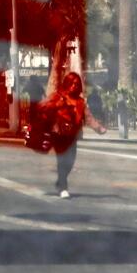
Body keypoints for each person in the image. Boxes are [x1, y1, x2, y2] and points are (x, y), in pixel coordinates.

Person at [40, 70, 106, 198]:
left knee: (70, 162)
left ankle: (60, 181)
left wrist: (98, 128)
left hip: (73, 136)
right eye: (72, 83)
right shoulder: (57, 97)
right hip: (58, 134)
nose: (74, 86)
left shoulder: (80, 102)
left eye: (77, 84)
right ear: (67, 84)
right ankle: (63, 187)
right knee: (62, 161)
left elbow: (88, 117)